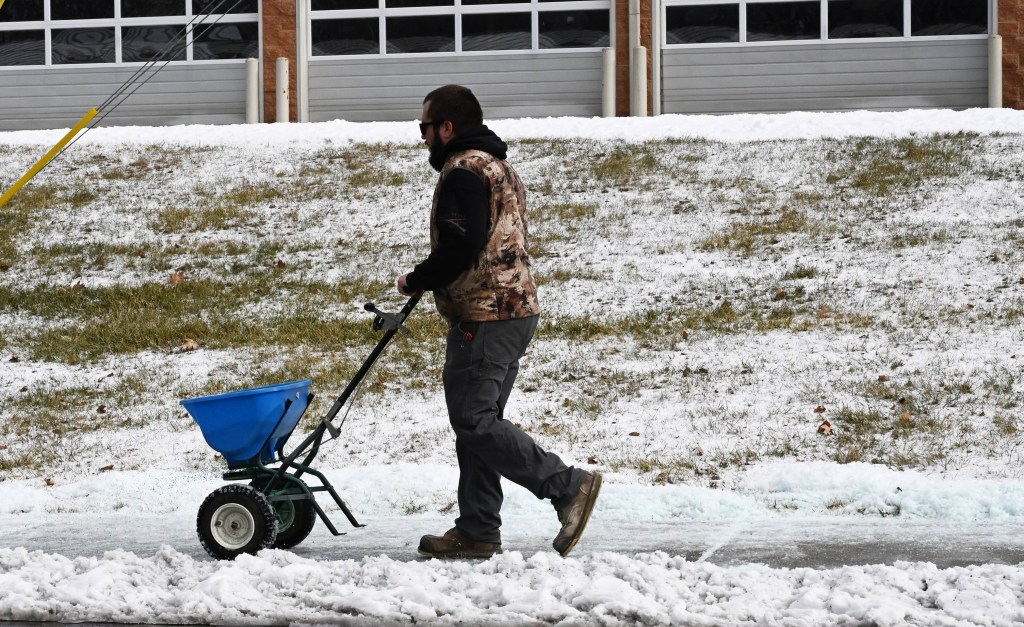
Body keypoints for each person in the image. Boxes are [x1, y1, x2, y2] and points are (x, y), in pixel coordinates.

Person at [397, 84, 601, 559]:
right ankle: (477, 530)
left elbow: (460, 247)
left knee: (473, 419)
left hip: (486, 315)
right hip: (512, 310)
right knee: (479, 423)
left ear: (447, 127)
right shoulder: (497, 166)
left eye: (424, 127)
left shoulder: (463, 172)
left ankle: (567, 486)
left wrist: (416, 279)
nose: (423, 137)